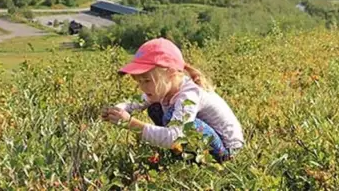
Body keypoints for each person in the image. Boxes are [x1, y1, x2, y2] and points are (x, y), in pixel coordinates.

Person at [101, 38, 244, 162]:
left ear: (170, 73)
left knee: (176, 120)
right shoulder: (163, 89)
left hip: (228, 152)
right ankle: (182, 157)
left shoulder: (189, 95)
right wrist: (117, 109)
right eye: (139, 81)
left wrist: (130, 124)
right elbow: (135, 103)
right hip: (205, 141)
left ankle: (197, 160)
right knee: (155, 107)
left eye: (146, 80)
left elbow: (175, 137)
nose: (142, 87)